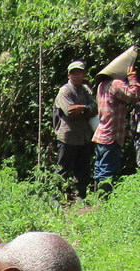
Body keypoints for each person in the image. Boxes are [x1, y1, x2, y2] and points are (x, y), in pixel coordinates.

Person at [92, 46, 140, 193]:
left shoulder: (101, 85)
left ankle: (97, 198)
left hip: (101, 134)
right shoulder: (115, 84)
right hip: (112, 135)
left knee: (100, 168)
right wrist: (132, 78)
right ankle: (104, 202)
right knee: (107, 171)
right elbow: (134, 96)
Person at [54, 60, 97, 199]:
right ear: (68, 75)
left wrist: (83, 108)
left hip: (84, 137)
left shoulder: (85, 90)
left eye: (80, 73)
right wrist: (87, 108)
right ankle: (55, 199)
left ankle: (81, 198)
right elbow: (70, 112)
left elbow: (95, 108)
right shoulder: (65, 91)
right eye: (74, 73)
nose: (77, 76)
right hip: (68, 137)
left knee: (83, 170)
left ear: (84, 74)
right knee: (62, 170)